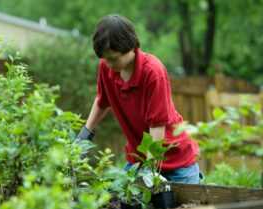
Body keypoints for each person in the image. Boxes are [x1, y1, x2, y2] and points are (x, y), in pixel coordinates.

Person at [76, 14, 201, 184]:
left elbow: (157, 127)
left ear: (130, 46)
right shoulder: (106, 67)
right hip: (139, 160)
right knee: (119, 199)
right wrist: (84, 135)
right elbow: (102, 101)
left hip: (177, 162)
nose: (109, 64)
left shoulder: (152, 72)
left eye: (114, 58)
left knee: (190, 206)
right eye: (105, 59)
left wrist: (149, 173)